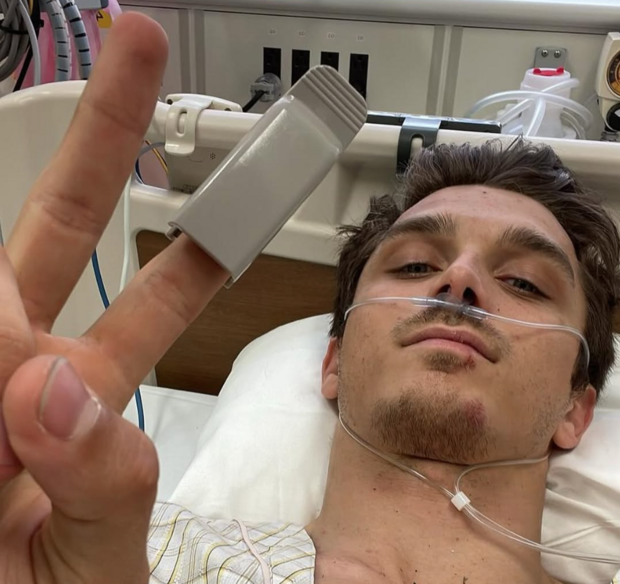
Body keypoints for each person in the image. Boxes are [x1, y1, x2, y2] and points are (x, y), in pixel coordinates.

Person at [0, 12, 618, 584]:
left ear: (577, 408)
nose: (459, 280)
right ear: (334, 362)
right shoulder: (102, 552)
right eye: (414, 265)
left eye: (525, 283)